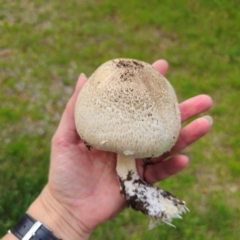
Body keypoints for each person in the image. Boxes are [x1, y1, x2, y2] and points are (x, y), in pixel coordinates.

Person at [2, 59, 213, 240]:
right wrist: (60, 209)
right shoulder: (105, 81)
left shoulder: (153, 86)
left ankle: (136, 190)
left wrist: (61, 213)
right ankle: (135, 190)